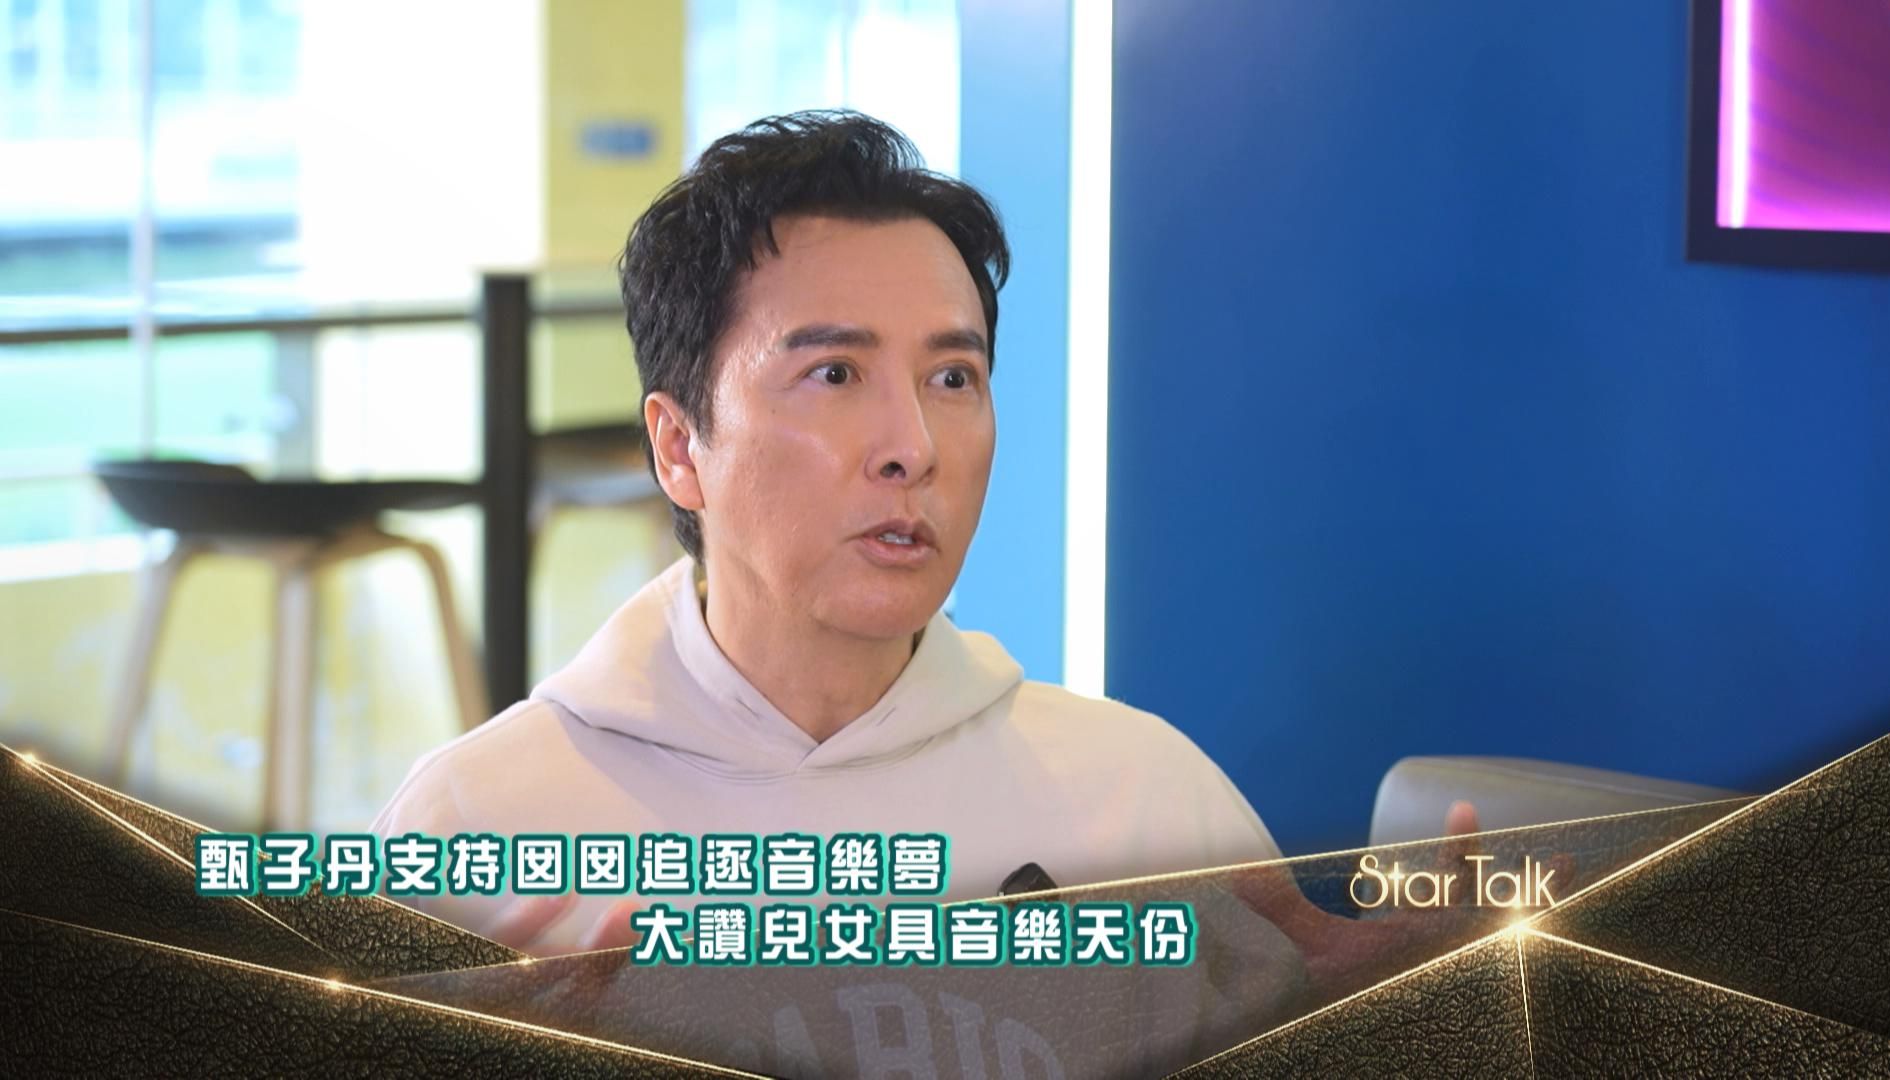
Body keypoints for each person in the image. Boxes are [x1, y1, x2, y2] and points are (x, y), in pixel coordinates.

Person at [369, 110, 1468, 958]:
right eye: (834, 374)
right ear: (679, 447)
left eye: (952, 378)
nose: (911, 447)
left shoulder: (1142, 803)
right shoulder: (479, 832)